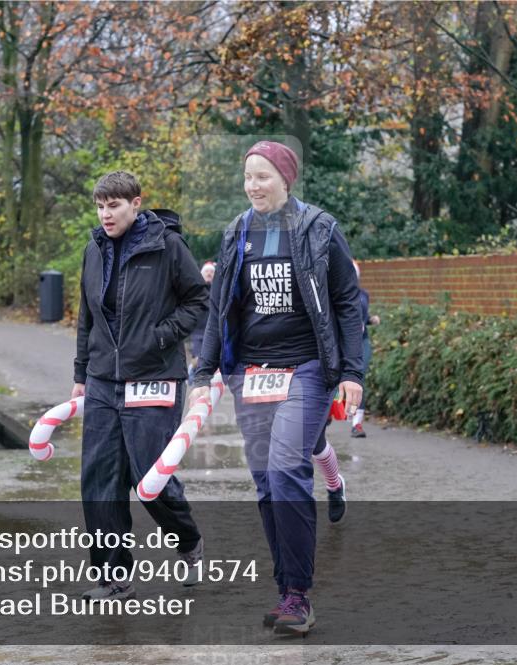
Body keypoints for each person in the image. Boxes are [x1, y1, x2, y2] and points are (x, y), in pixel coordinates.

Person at [191, 141, 364, 635]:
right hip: (250, 373)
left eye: (263, 176)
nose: (253, 186)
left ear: (286, 179)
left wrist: (352, 373)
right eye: (248, 176)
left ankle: (298, 596)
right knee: (267, 479)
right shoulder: (236, 233)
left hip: (307, 367)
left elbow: (347, 305)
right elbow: (219, 308)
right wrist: (202, 376)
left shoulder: (319, 229)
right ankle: (286, 588)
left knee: (287, 468)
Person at [73, 171, 209, 600]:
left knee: (148, 477)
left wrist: (160, 336)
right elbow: (86, 317)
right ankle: (113, 575)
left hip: (153, 377)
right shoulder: (93, 249)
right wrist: (80, 375)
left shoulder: (166, 245)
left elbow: (198, 300)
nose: (105, 214)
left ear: (136, 203)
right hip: (101, 380)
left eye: (114, 205)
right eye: (100, 206)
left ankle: (187, 541)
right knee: (99, 480)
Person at [349, 259, 379, 438]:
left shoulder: (364, 295)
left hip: (361, 342)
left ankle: (356, 423)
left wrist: (371, 320)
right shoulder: (334, 294)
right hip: (341, 343)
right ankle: (328, 414)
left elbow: (362, 317)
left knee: (358, 377)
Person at [188, 261, 215, 383]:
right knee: (198, 358)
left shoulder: (217, 290)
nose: (209, 274)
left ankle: (199, 380)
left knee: (207, 358)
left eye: (211, 272)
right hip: (197, 330)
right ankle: (191, 372)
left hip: (211, 331)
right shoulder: (195, 289)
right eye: (207, 271)